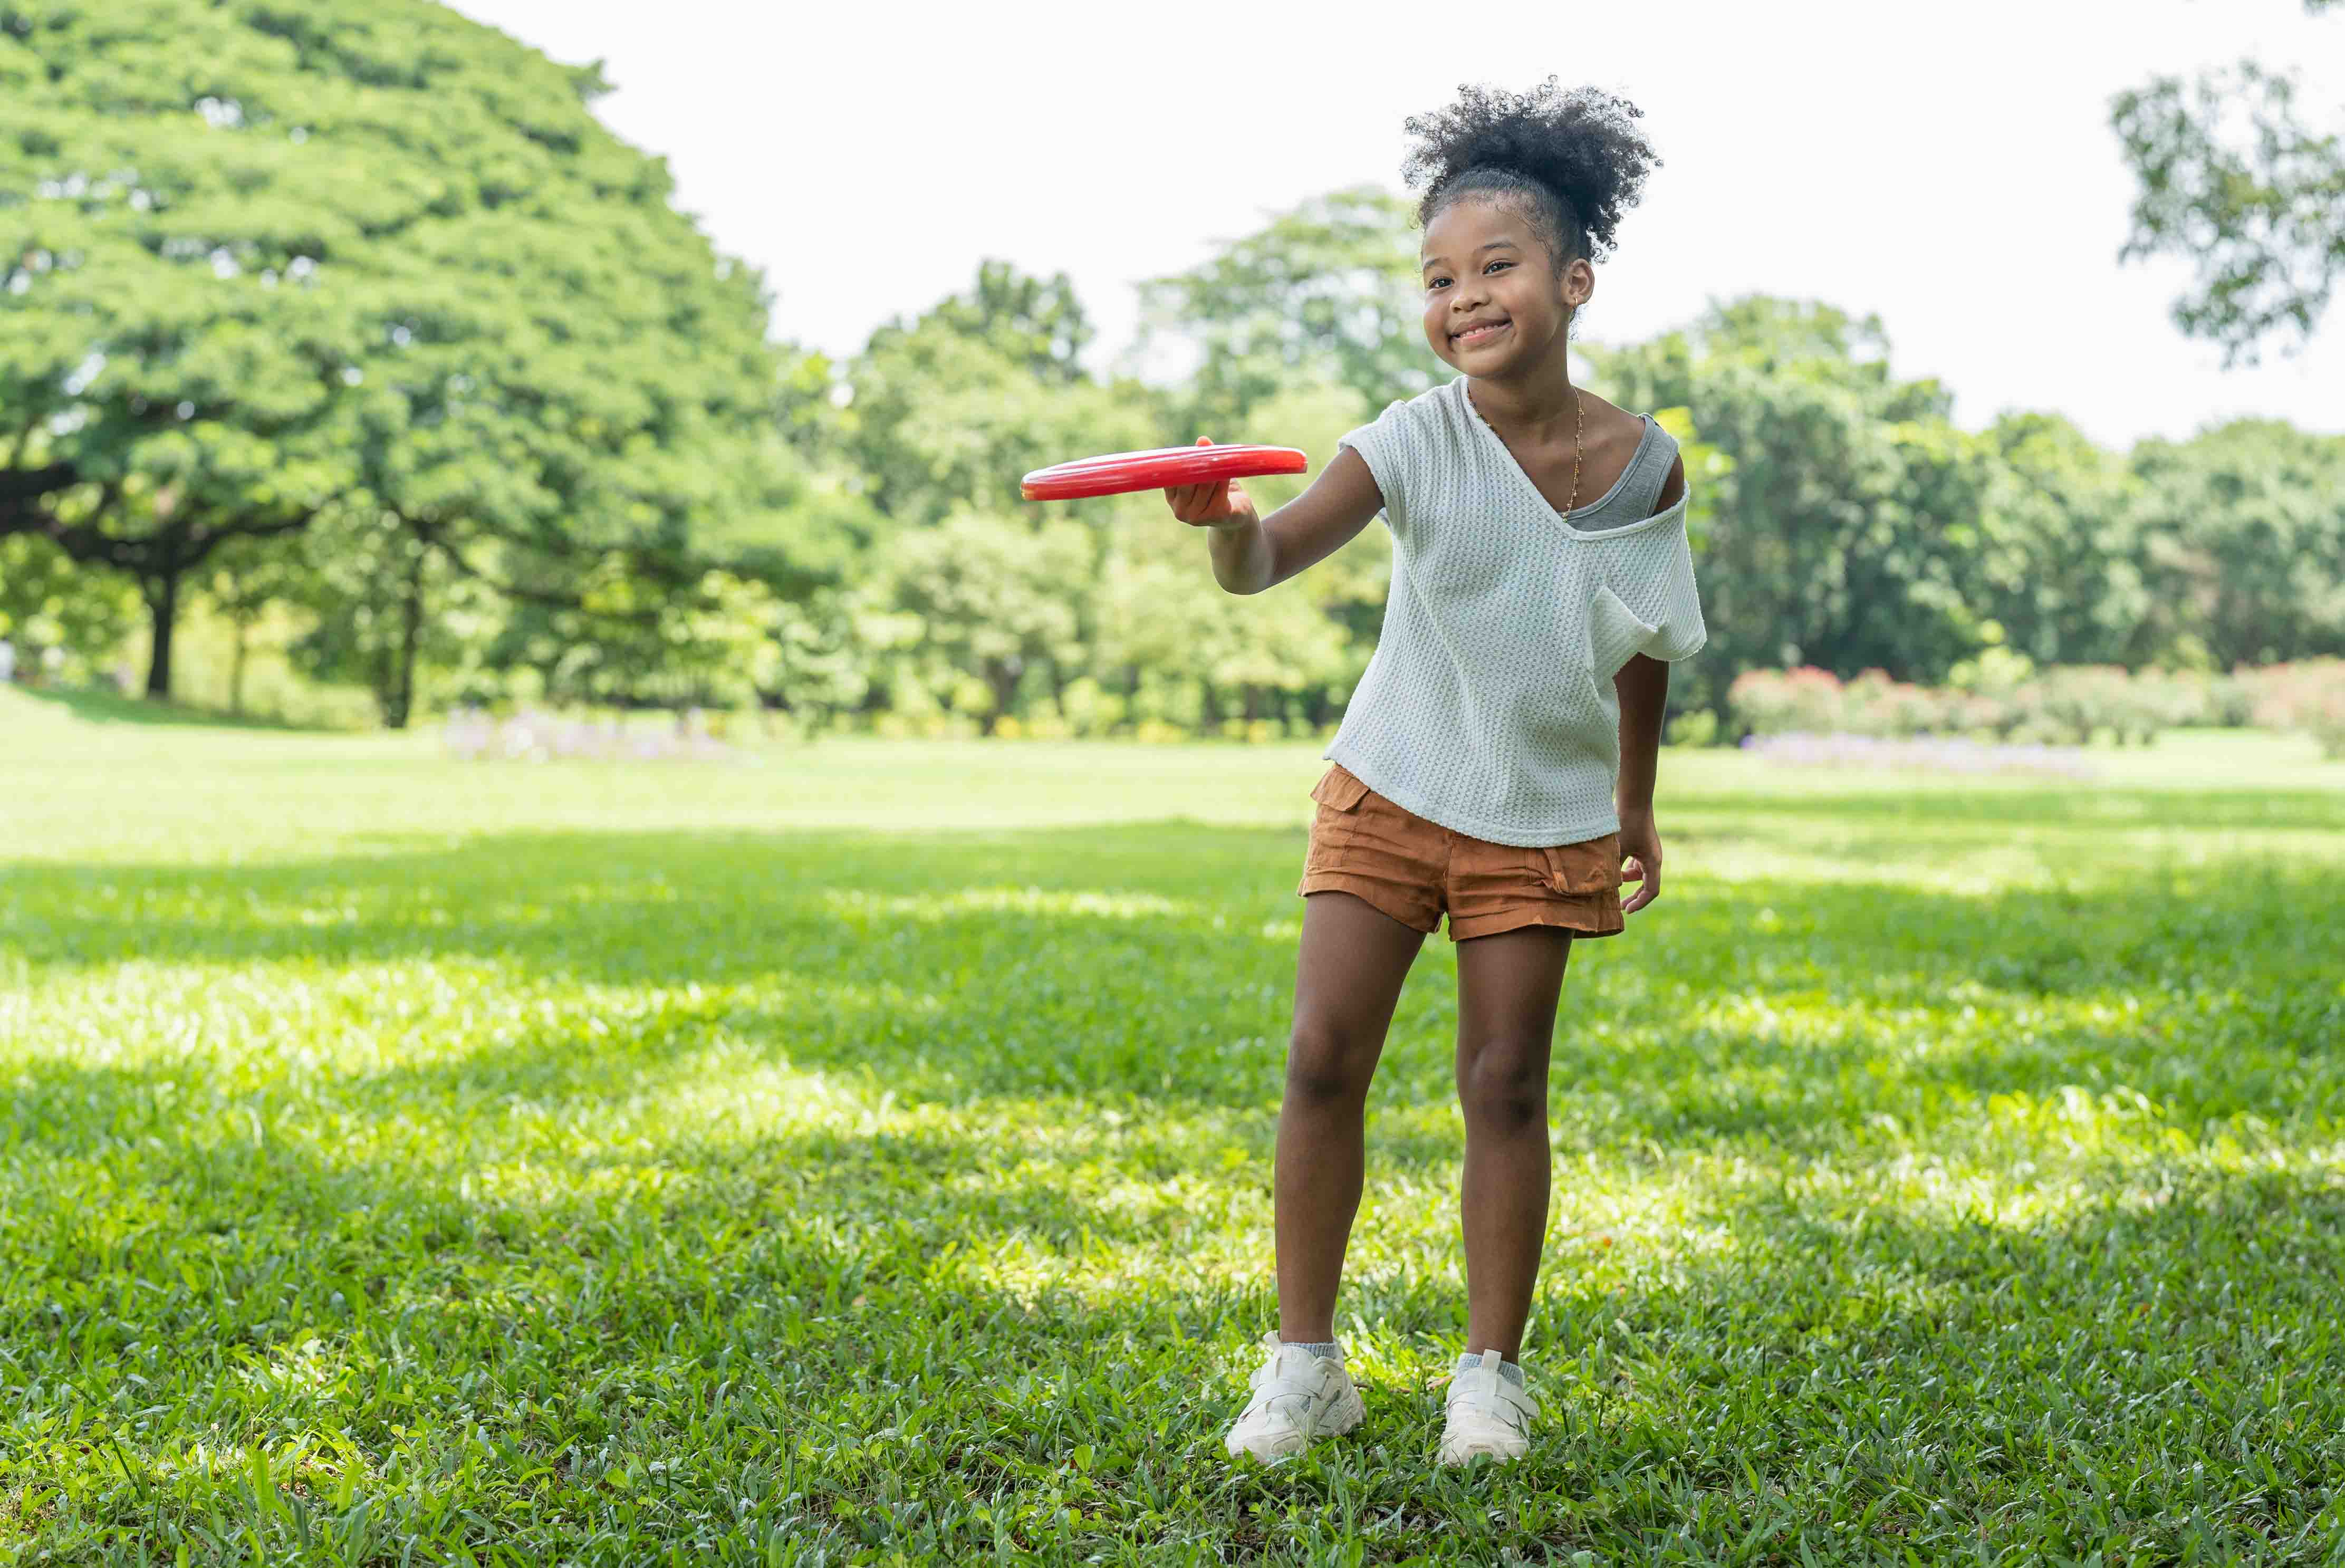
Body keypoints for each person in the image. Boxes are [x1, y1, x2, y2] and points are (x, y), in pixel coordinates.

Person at [1162, 79, 1704, 1468]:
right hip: (1392, 786)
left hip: (1545, 813)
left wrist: (1637, 804)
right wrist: (1222, 522)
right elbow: (1269, 561)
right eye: (1439, 277)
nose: (1464, 297)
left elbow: (1645, 642)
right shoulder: (1410, 439)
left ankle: (1489, 1378)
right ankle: (1303, 1368)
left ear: (1574, 281)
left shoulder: (1646, 467)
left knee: (1506, 1084)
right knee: (1321, 1062)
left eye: (1496, 268)